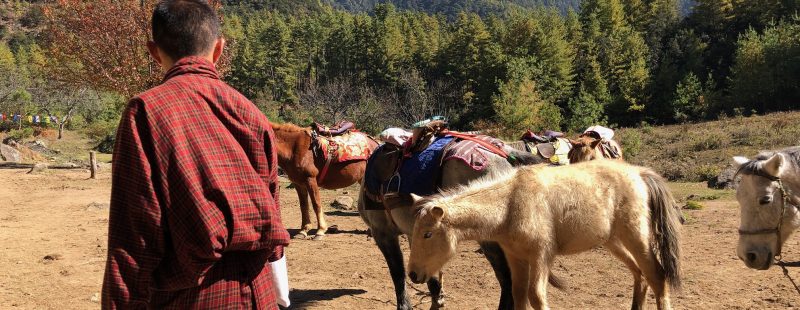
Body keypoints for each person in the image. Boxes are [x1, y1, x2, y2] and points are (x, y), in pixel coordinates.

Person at [101, 1, 290, 309]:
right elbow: (274, 222)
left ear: (153, 50)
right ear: (219, 49)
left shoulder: (147, 111)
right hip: (260, 293)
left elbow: (134, 237)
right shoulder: (251, 113)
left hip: (191, 297)